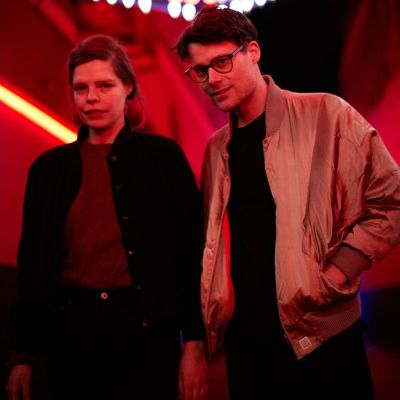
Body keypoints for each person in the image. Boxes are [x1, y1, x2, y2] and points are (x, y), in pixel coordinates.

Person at [174, 6, 400, 400]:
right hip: (248, 346)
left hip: (324, 336)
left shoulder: (325, 113)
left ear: (253, 51)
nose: (212, 79)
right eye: (201, 70)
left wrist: (340, 270)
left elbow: (391, 200)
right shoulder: (215, 149)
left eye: (222, 62)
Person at [6, 34, 208, 400]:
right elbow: (32, 265)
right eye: (81, 88)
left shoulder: (163, 160)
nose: (91, 97)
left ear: (128, 87)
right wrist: (22, 355)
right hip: (70, 341)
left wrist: (195, 343)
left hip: (147, 340)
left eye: (104, 85)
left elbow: (192, 257)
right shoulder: (48, 171)